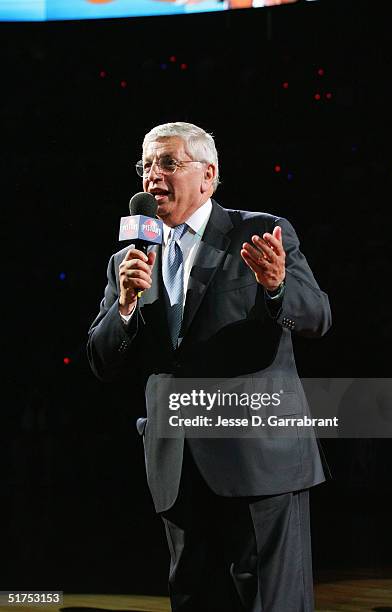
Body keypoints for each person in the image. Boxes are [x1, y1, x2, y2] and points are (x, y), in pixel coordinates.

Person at [87, 121, 332, 611]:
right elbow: (100, 357)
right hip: (178, 470)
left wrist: (277, 286)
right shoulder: (132, 257)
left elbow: (318, 316)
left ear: (208, 174)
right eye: (146, 165)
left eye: (167, 163)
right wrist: (127, 307)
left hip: (259, 465)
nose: (152, 176)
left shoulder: (259, 232)